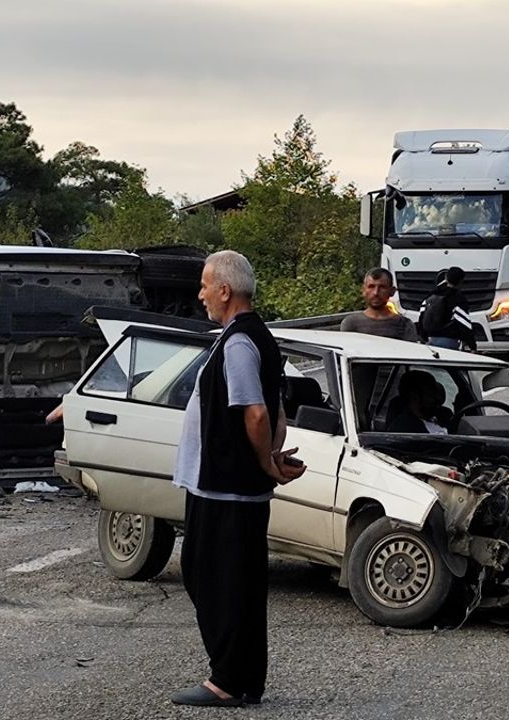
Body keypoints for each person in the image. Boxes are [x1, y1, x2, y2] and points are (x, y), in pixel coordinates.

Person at [170, 250, 306, 708]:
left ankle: (228, 680)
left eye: (206, 285)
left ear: (225, 290)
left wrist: (265, 463)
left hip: (227, 486)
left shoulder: (240, 342)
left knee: (216, 580)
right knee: (231, 581)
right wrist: (268, 454)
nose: (202, 293)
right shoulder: (251, 337)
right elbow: (277, 409)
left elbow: (256, 411)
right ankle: (241, 679)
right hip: (227, 484)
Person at [340, 268, 420, 342]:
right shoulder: (351, 324)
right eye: (371, 286)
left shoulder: (404, 325)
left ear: (392, 291)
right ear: (363, 290)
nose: (376, 293)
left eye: (382, 287)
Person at [418, 266, 476, 351]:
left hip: (430, 341)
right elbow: (464, 323)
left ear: (446, 278)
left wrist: (423, 337)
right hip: (449, 341)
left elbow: (422, 315)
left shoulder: (431, 295)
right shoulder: (458, 298)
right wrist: (472, 346)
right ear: (461, 281)